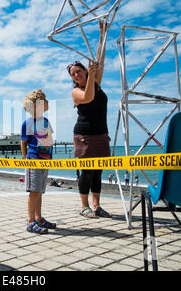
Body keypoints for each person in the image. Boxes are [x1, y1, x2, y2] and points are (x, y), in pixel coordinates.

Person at [68, 21, 111, 219]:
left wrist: (102, 35)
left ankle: (97, 205)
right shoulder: (76, 92)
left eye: (79, 70)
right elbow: (88, 98)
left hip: (101, 134)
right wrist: (93, 74)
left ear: (85, 70)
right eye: (73, 74)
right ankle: (84, 206)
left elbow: (100, 60)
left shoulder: (95, 81)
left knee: (98, 172)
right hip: (84, 135)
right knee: (87, 171)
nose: (77, 75)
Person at [21, 88, 56, 234]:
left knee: (40, 191)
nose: (48, 102)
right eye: (45, 100)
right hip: (34, 159)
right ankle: (30, 221)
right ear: (37, 105)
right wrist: (24, 158)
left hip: (45, 160)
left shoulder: (46, 121)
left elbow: (49, 141)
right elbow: (23, 142)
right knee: (33, 191)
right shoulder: (28, 123)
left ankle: (38, 217)